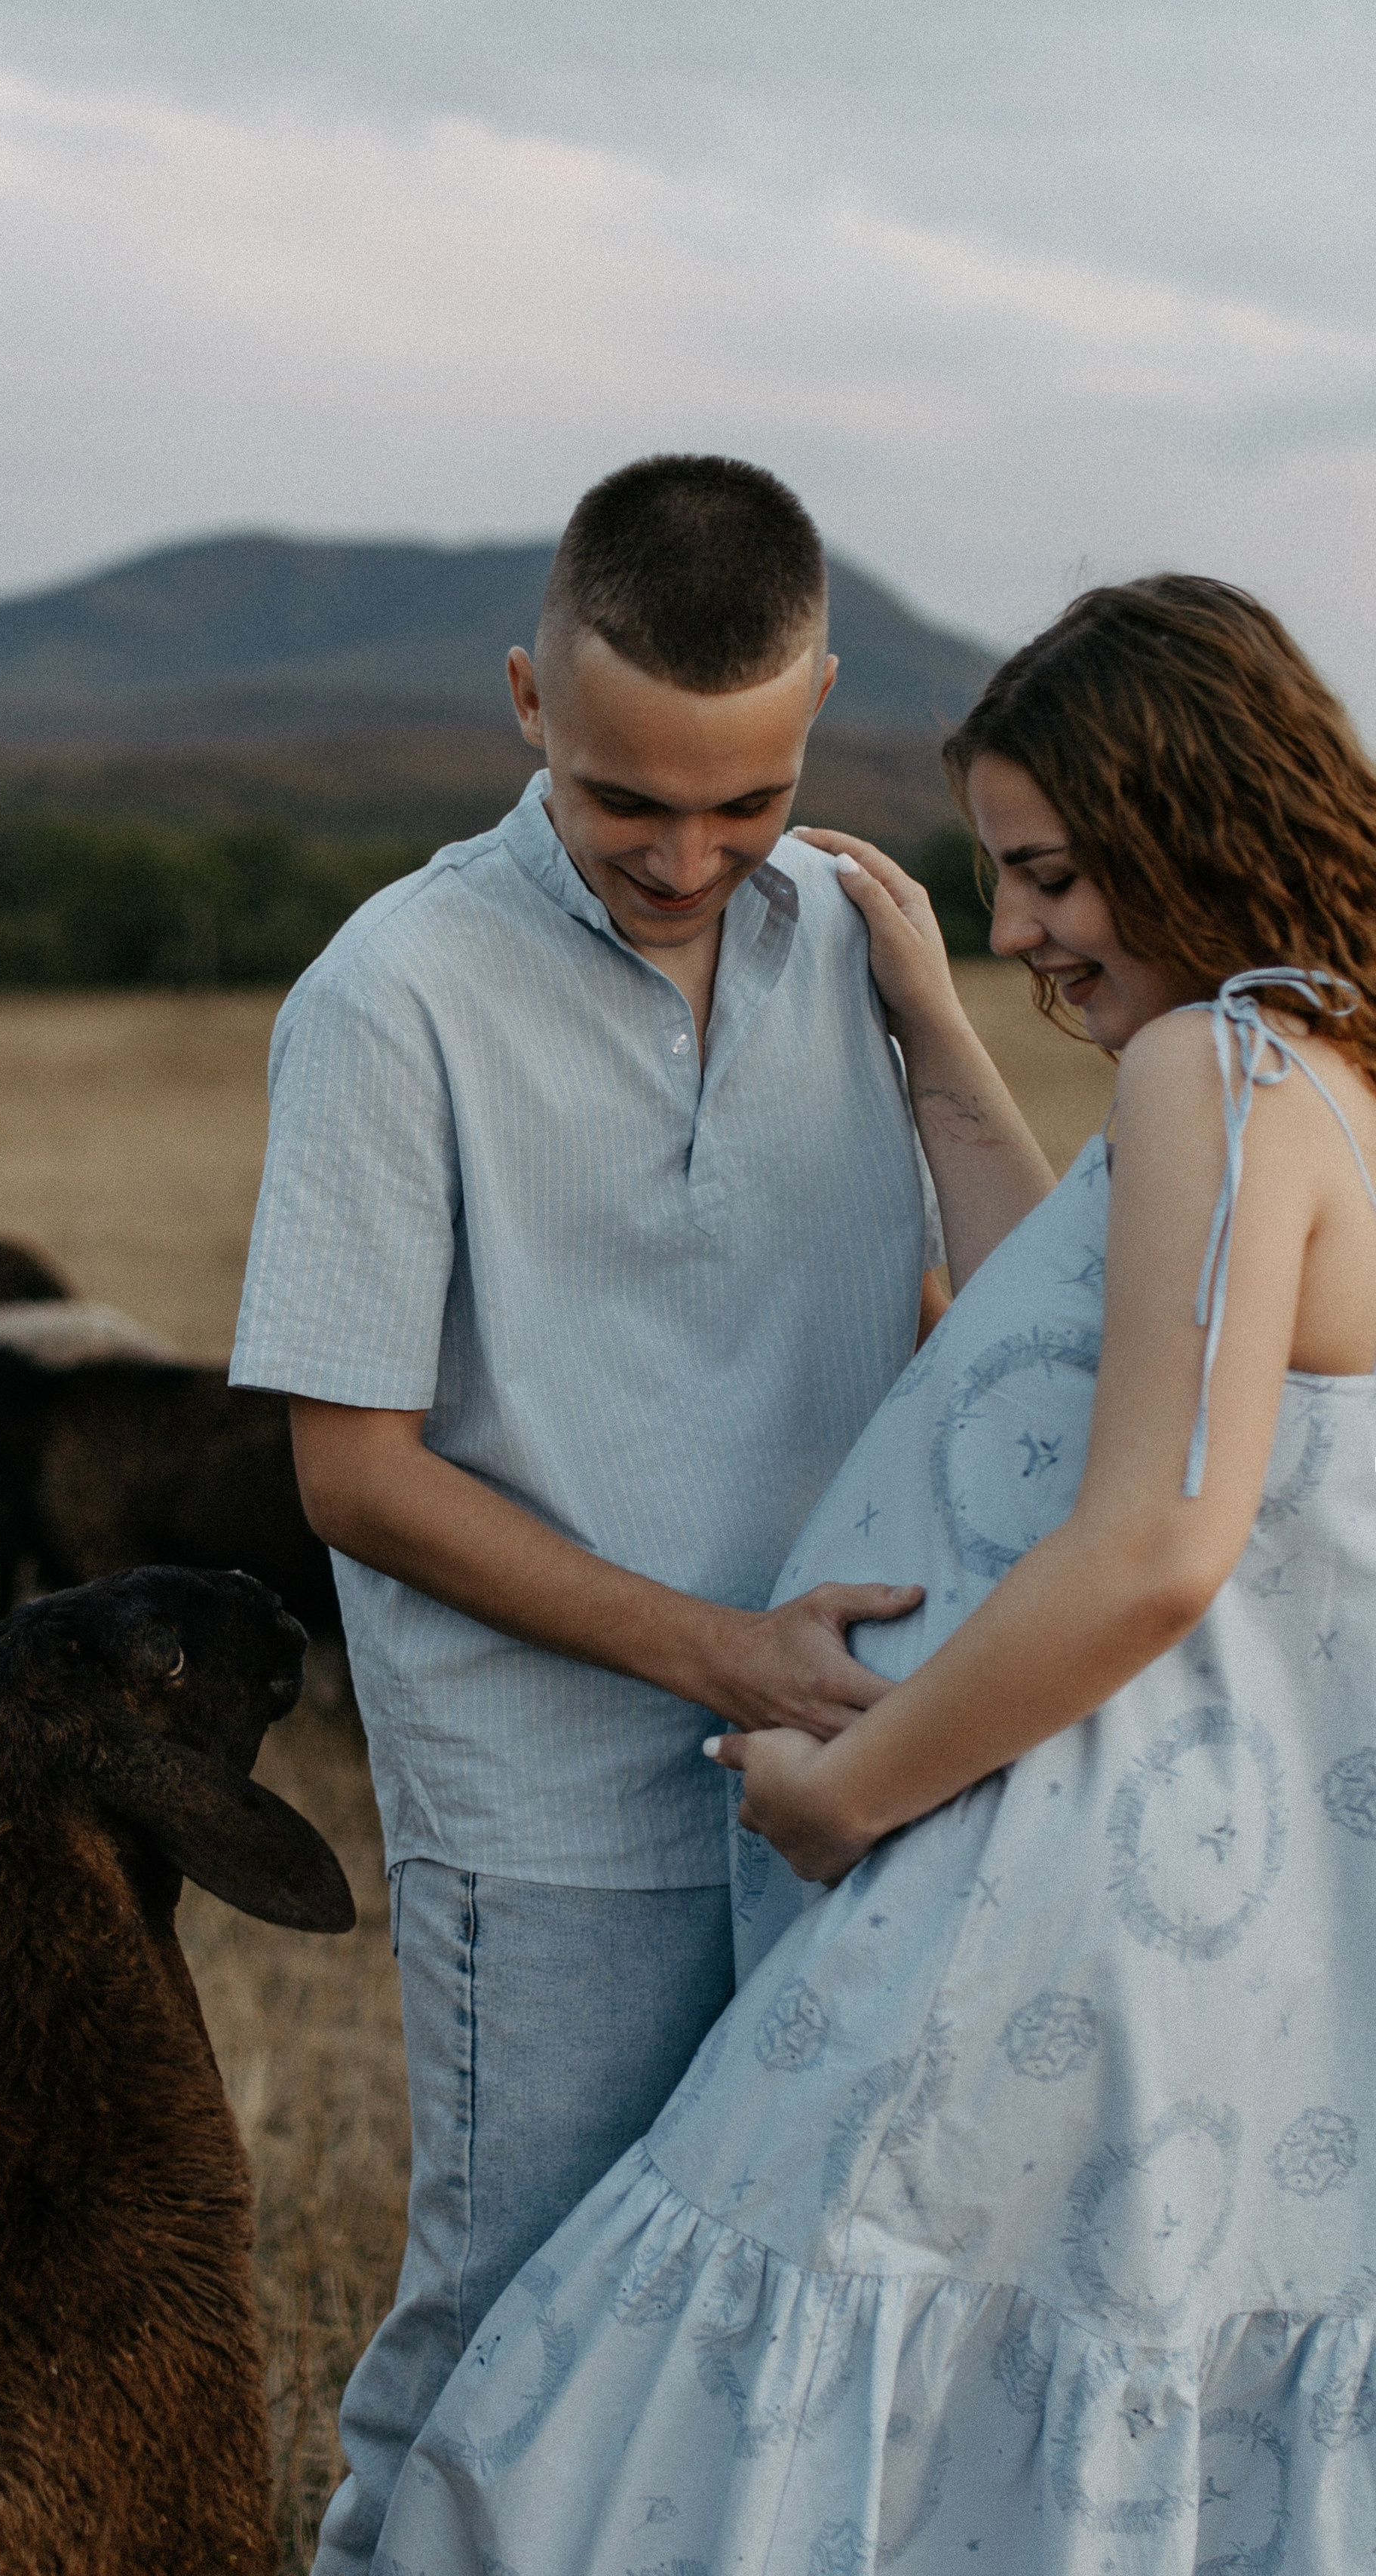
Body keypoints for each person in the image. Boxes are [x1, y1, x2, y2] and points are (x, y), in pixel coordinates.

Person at [374, 572, 1376, 2574]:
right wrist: (931, 1034)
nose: (1017, 929)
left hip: (1074, 1881)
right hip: (1240, 1897)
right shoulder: (1318, 1072)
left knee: (751, 2338)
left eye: (1056, 875)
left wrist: (855, 1779)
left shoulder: (1226, 1071)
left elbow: (1158, 1545)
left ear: (1195, 819)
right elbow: (1065, 1330)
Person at [229, 455, 988, 2573]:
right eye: (624, 801)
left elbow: (1010, 1313)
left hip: (853, 1779)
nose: (686, 857)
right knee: (512, 2335)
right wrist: (724, 1649)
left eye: (745, 802)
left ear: (823, 702)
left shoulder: (856, 936)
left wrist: (934, 1022)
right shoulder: (391, 997)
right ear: (524, 703)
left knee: (773, 2341)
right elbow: (352, 1474)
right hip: (551, 1810)